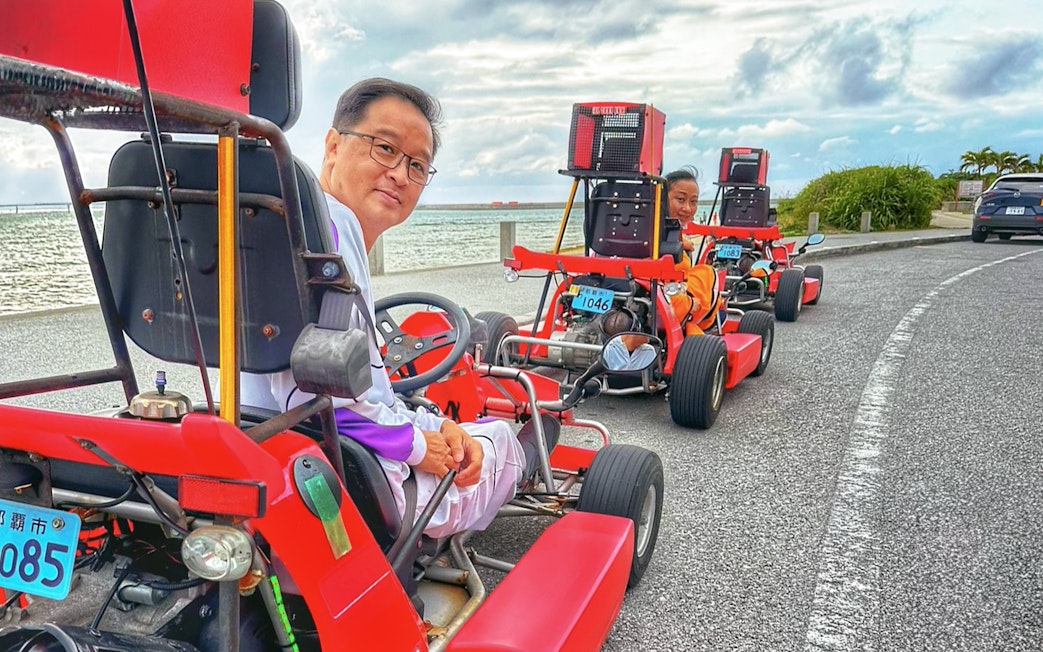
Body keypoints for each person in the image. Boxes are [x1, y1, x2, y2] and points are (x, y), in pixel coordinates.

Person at [243, 78, 538, 540]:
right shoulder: (330, 231)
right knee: (499, 440)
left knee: (449, 427)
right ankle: (527, 463)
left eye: (417, 165)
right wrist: (419, 444)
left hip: (266, 447)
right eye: (385, 148)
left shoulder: (282, 223)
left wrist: (435, 422)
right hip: (349, 478)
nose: (400, 174)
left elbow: (353, 396)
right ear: (333, 145)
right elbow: (309, 399)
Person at [664, 167, 724, 336]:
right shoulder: (659, 236)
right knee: (708, 273)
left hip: (663, 294)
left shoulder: (642, 229)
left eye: (693, 202)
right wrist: (690, 303)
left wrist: (683, 241)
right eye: (680, 199)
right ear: (662, 198)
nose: (688, 209)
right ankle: (709, 321)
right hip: (670, 303)